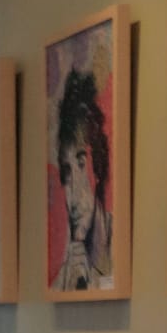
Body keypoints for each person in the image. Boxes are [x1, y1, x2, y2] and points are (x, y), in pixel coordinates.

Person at [53, 68, 113, 293]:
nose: (73, 193)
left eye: (80, 163)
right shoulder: (64, 281)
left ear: (97, 166)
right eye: (67, 173)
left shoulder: (121, 245)